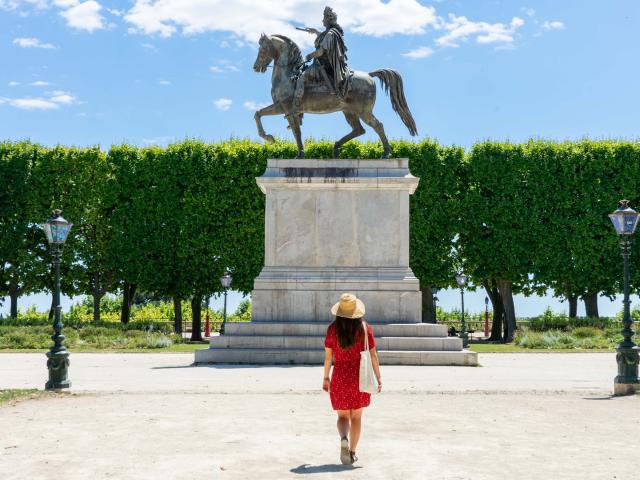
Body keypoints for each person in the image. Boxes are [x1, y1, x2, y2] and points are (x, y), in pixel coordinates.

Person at [323, 293, 382, 465]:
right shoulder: (365, 328)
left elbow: (328, 358)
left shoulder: (332, 330)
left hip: (340, 375)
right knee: (356, 417)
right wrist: (378, 377)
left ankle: (343, 437)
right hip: (360, 377)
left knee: (342, 417)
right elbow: (373, 355)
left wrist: (326, 377)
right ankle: (353, 452)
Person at [293, 6, 351, 112]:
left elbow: (320, 52)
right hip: (325, 63)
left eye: (323, 19)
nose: (322, 21)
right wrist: (315, 31)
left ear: (328, 21)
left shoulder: (330, 34)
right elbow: (323, 36)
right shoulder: (333, 32)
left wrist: (309, 56)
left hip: (323, 66)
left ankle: (296, 108)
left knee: (301, 78)